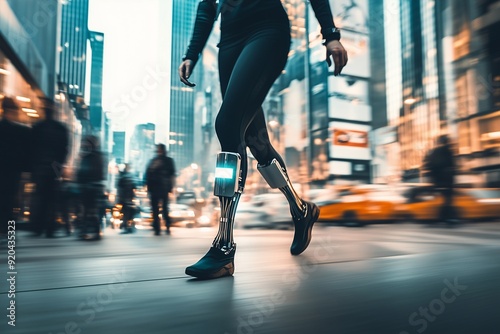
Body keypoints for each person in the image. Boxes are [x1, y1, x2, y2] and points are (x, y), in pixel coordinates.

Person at [179, 0, 348, 279]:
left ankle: (223, 247)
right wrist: (191, 54)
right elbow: (206, 7)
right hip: (229, 42)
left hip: (267, 30)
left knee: (227, 124)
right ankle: (301, 209)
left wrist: (330, 36)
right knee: (255, 141)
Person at [31, 97, 69, 237]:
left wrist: (34, 168)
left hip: (41, 167)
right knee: (51, 199)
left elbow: (32, 150)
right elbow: (65, 150)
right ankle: (49, 228)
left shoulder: (38, 127)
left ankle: (39, 227)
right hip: (52, 168)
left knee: (40, 198)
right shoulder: (60, 129)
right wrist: (58, 167)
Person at [0, 97, 31, 241]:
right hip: (14, 172)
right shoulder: (21, 130)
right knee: (12, 202)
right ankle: (9, 233)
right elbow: (25, 152)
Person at [76, 135, 106, 240]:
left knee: (91, 211)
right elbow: (80, 171)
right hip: (87, 187)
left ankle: (94, 231)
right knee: (85, 211)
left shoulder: (96, 156)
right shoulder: (86, 155)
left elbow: (99, 173)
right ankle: (84, 230)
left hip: (93, 187)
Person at [423, 135, 457, 223]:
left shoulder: (432, 152)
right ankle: (446, 217)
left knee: (439, 198)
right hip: (447, 180)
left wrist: (431, 178)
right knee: (448, 199)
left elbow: (427, 165)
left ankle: (439, 217)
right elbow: (452, 165)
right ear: (446, 142)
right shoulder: (447, 151)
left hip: (436, 180)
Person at [145, 144, 176, 236]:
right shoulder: (166, 161)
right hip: (160, 188)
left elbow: (171, 175)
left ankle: (161, 227)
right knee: (160, 209)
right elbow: (172, 175)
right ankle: (162, 227)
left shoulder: (154, 161)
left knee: (159, 209)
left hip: (160, 188)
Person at [117, 163, 137, 233]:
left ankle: (126, 226)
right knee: (128, 212)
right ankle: (128, 226)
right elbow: (134, 187)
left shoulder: (122, 176)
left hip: (124, 198)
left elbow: (119, 187)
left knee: (125, 212)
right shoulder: (130, 176)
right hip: (128, 198)